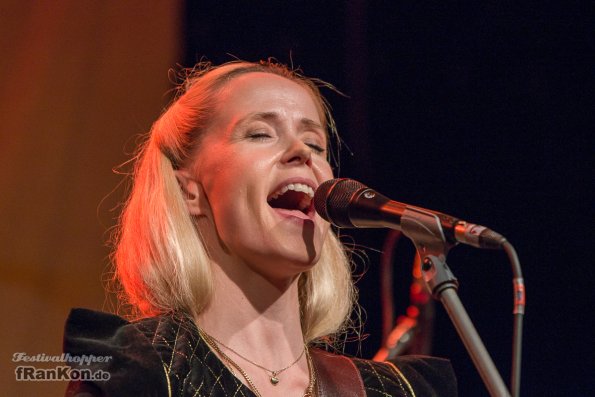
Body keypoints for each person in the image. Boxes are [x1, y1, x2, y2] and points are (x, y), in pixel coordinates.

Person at [64, 60, 457, 396]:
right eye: (260, 133)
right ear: (190, 191)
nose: (302, 153)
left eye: (315, 144)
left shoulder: (391, 389)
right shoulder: (141, 372)